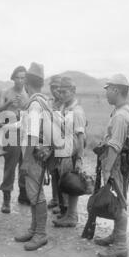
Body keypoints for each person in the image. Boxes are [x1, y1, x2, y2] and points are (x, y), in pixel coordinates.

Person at [94, 74, 129, 257]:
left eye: (108, 89)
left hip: (117, 164)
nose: (106, 93)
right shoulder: (124, 110)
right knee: (119, 199)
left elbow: (115, 145)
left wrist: (107, 169)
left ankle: (120, 245)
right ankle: (116, 236)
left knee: (119, 202)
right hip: (120, 164)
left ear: (116, 90)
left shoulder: (120, 116)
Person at [14, 62, 50, 251]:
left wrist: (26, 161)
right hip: (38, 154)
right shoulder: (40, 101)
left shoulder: (35, 104)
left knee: (36, 194)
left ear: (27, 82)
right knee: (33, 193)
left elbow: (33, 135)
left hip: (34, 156)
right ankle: (35, 229)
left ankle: (40, 234)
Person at [52, 76, 87, 228]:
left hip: (71, 154)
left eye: (65, 91)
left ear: (73, 91)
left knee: (72, 184)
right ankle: (67, 213)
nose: (61, 94)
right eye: (59, 91)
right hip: (62, 152)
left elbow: (81, 137)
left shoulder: (77, 111)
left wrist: (79, 158)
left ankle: (72, 216)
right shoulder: (63, 108)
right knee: (65, 183)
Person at [0, 66, 30, 212]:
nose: (20, 80)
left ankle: (23, 195)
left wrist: (24, 105)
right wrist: (9, 103)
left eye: (23, 77)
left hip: (23, 131)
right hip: (10, 132)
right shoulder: (5, 92)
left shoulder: (27, 93)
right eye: (18, 77)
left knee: (25, 164)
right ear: (13, 78)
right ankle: (6, 200)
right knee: (10, 166)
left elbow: (30, 113)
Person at [47, 75, 63, 212]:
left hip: (64, 143)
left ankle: (63, 203)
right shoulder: (50, 102)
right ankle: (55, 199)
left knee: (62, 172)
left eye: (58, 87)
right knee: (53, 171)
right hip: (51, 141)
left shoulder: (67, 103)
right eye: (53, 87)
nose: (55, 90)